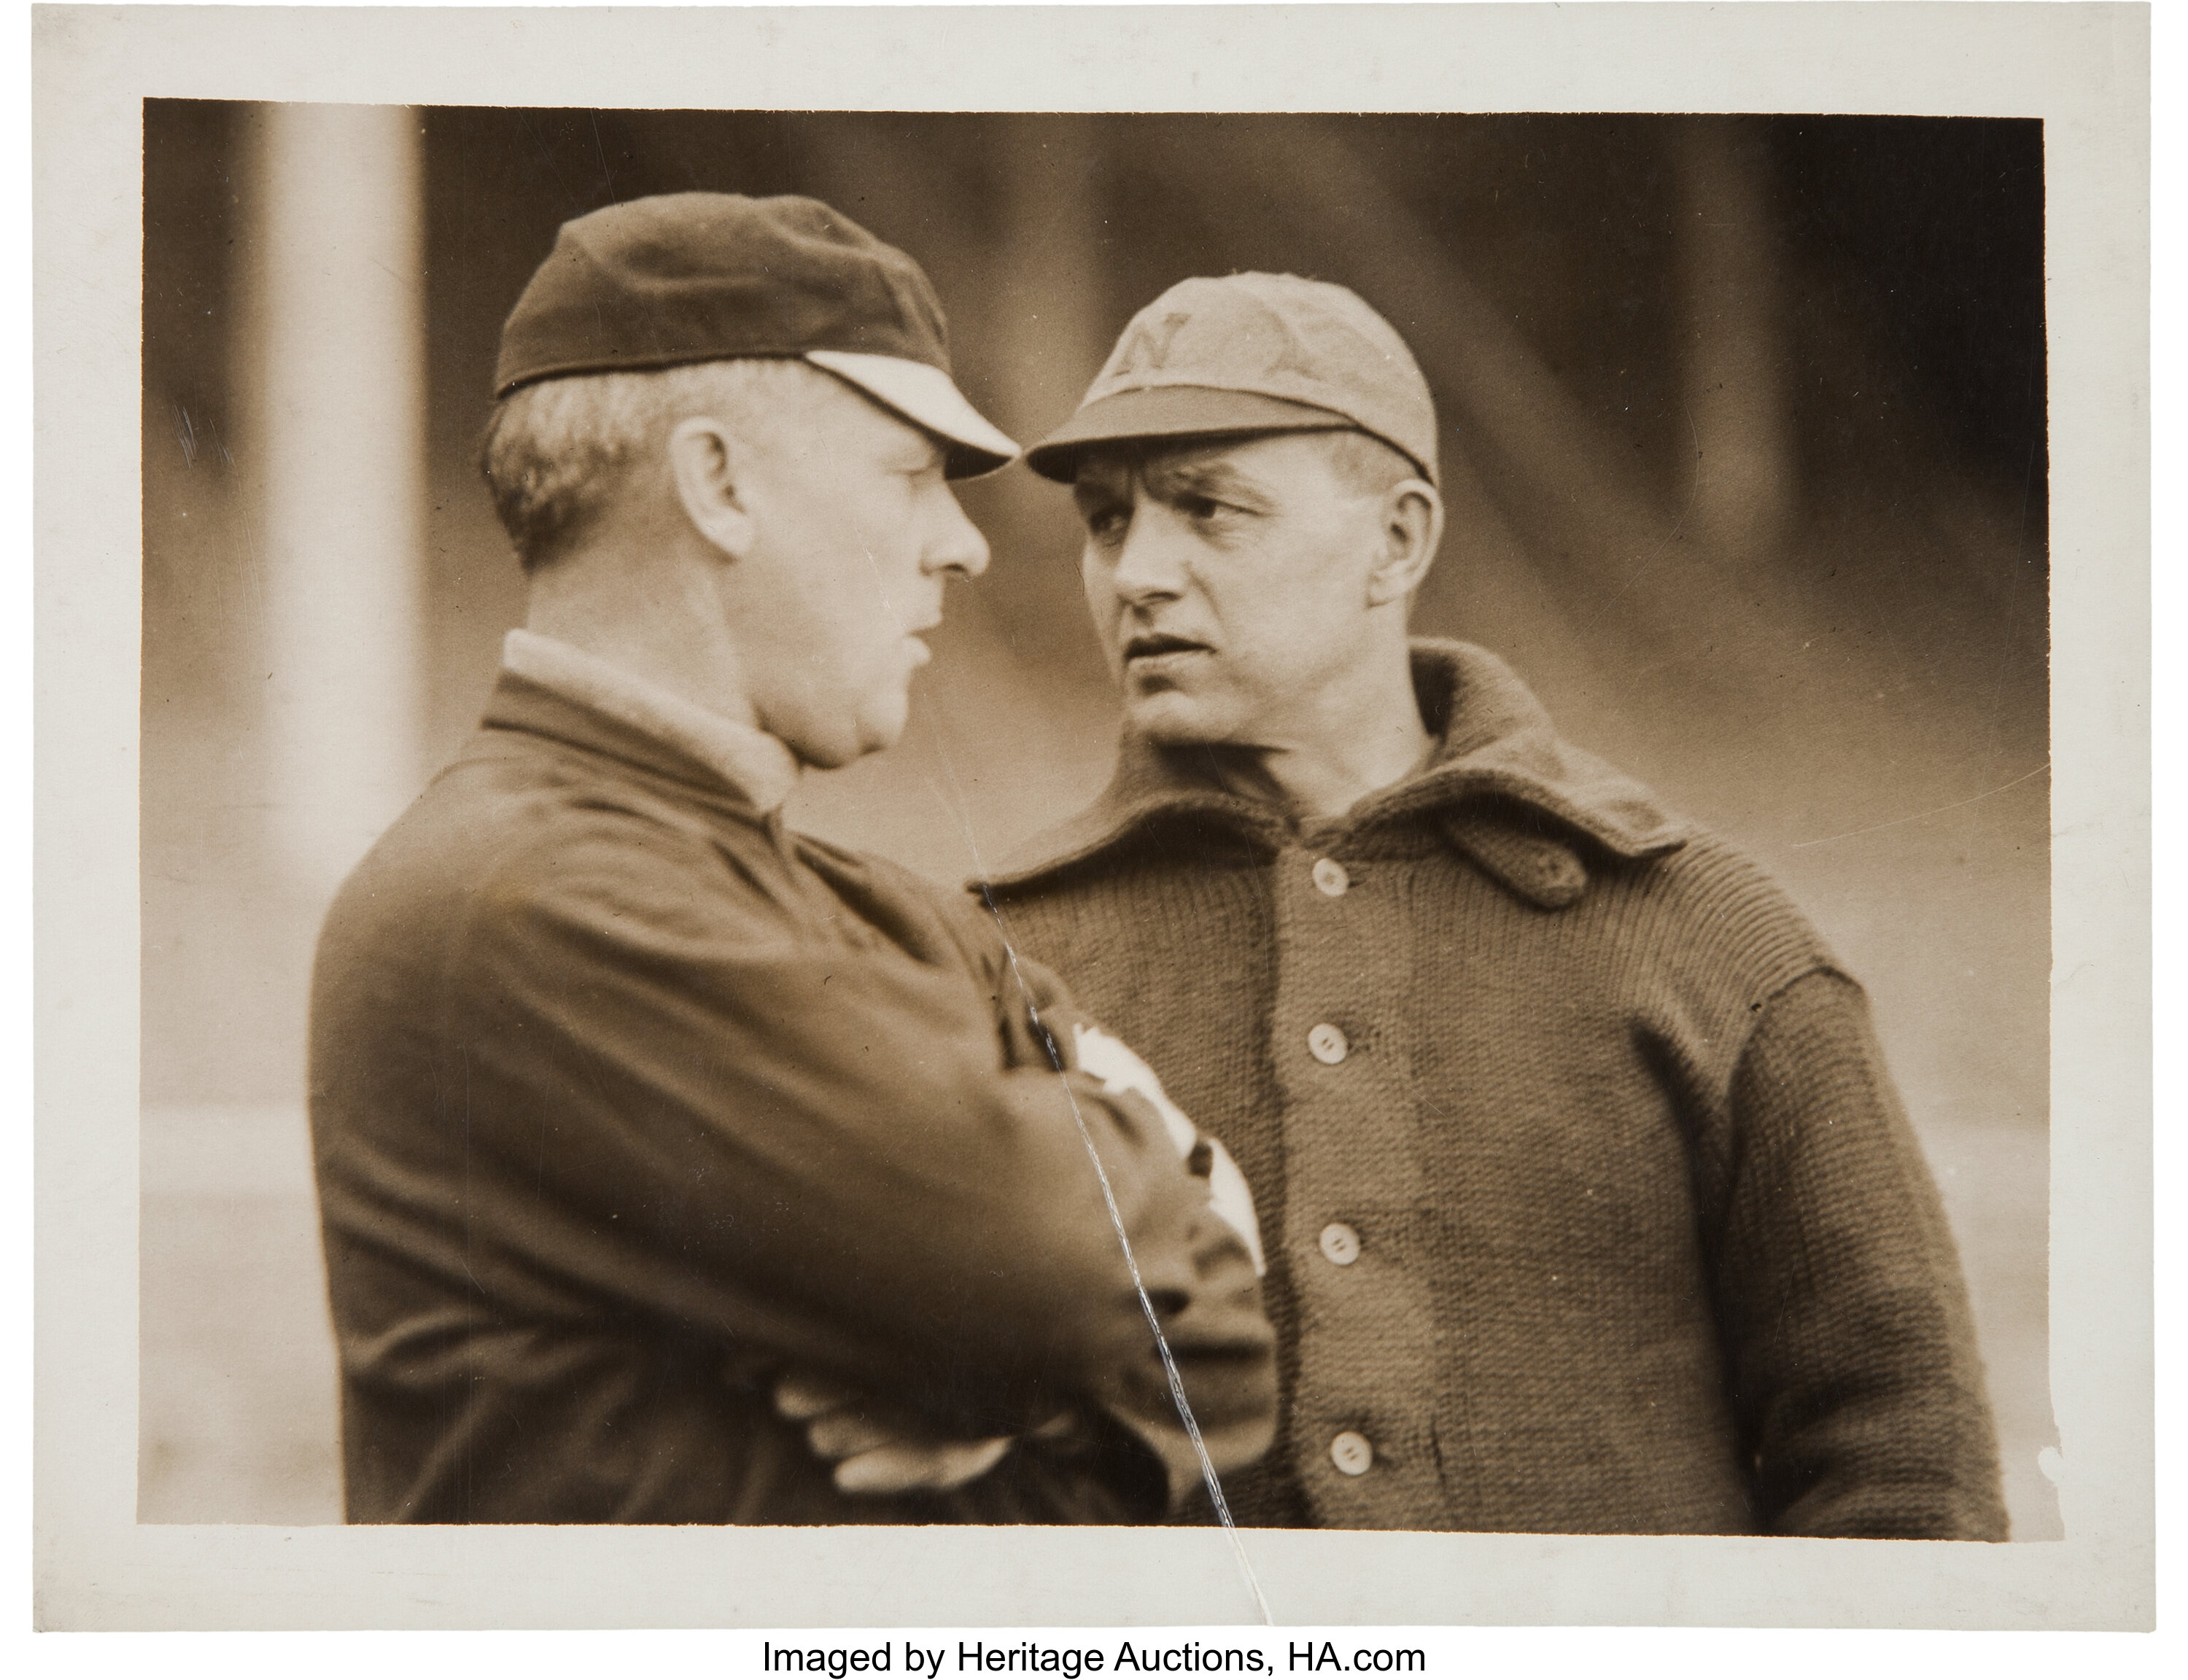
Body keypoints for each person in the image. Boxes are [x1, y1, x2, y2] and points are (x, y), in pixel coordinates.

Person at [967, 271, 2010, 1537]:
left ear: (1398, 540)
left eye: (1208, 509)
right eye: (1106, 518)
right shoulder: (998, 962)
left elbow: (1902, 1464)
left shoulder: (1704, 937)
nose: (1138, 571)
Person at [306, 195, 1275, 1525]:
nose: (964, 540)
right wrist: (1157, 1161)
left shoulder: (887, 914)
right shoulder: (523, 899)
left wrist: (1037, 1373)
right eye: (909, 474)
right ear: (720, 483)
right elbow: (1059, 1256)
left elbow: (1228, 1356)